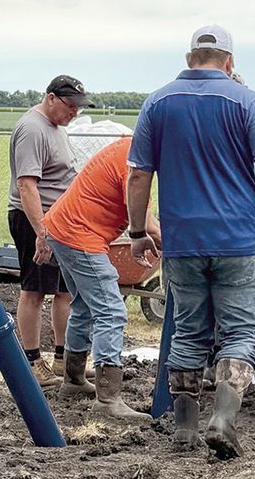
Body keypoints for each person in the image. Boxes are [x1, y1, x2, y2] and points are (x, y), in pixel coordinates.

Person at [125, 25, 255, 460]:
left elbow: (138, 175)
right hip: (236, 241)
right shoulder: (247, 101)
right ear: (230, 61)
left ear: (189, 59)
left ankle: (184, 431)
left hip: (182, 242)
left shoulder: (158, 103)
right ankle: (222, 421)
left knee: (187, 331)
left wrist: (137, 231)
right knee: (239, 333)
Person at [41, 137, 160, 420]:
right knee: (111, 310)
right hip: (79, 236)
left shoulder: (132, 149)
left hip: (62, 229)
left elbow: (143, 212)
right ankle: (108, 401)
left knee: (82, 306)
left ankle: (73, 381)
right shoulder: (134, 164)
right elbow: (145, 221)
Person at [7, 75, 94, 387]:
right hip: (35, 219)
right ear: (51, 98)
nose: (74, 113)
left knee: (64, 291)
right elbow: (26, 185)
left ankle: (63, 359)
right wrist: (41, 233)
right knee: (34, 291)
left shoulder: (57, 128)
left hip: (58, 220)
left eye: (78, 109)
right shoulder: (32, 129)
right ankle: (32, 362)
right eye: (70, 106)